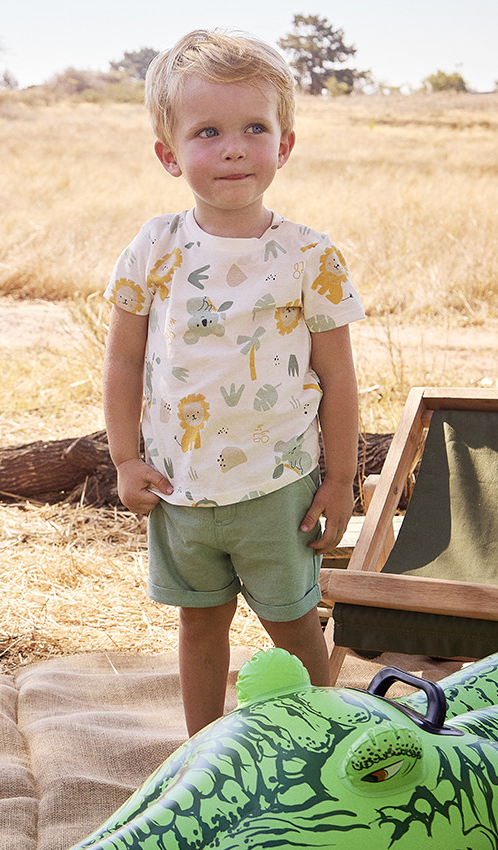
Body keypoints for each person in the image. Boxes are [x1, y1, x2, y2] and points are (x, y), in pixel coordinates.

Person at [102, 28, 365, 736]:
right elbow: (124, 362)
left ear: (284, 145)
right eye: (207, 131)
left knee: (295, 626)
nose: (233, 147)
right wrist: (126, 458)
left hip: (278, 488)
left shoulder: (311, 255)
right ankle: (203, 754)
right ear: (169, 153)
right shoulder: (154, 250)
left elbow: (337, 376)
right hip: (180, 486)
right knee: (201, 623)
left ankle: (328, 740)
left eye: (255, 127)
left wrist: (341, 480)